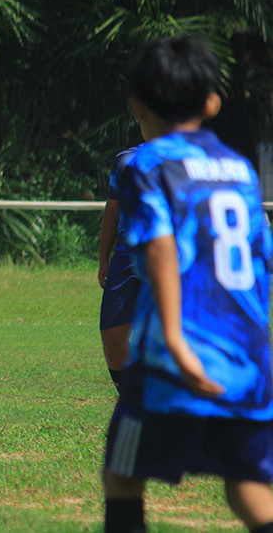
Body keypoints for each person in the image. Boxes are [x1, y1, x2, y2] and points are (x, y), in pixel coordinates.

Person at [102, 36, 273, 533]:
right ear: (212, 103)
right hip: (247, 362)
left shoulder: (146, 164)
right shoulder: (239, 170)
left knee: (123, 474)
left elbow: (158, 247)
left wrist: (175, 340)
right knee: (249, 489)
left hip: (173, 358)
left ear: (137, 104)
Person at [97, 143, 142, 390]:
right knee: (112, 335)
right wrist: (104, 258)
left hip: (173, 255)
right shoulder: (126, 160)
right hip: (126, 256)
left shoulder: (192, 159)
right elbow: (113, 210)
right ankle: (127, 394)